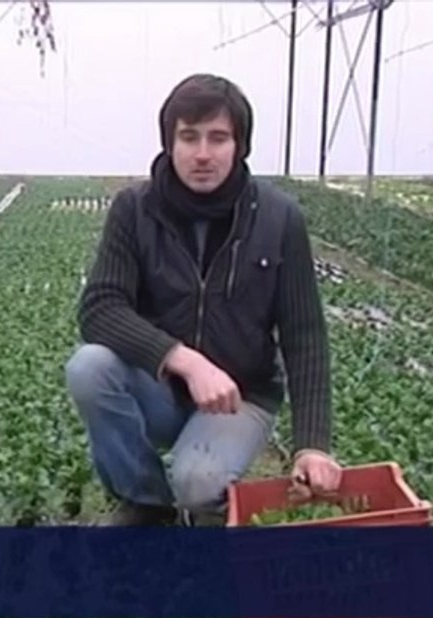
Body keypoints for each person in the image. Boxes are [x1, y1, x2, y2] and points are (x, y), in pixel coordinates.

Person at [64, 73, 343, 527]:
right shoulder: (134, 210)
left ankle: (205, 515)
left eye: (218, 138)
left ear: (240, 146)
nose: (202, 154)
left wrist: (312, 445)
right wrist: (186, 362)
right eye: (189, 137)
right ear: (169, 142)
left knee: (198, 482)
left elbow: (304, 335)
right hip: (161, 390)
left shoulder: (278, 218)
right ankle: (146, 503)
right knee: (89, 367)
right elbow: (101, 308)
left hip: (239, 398)